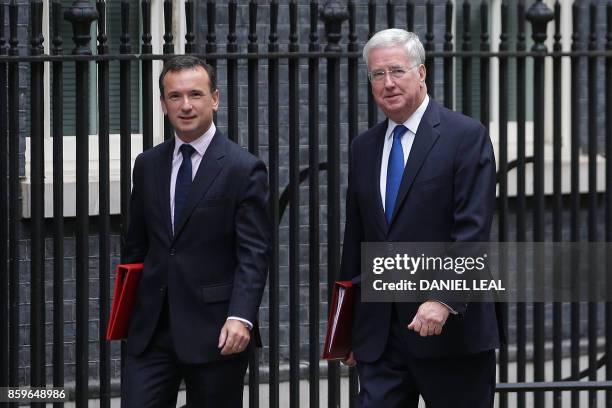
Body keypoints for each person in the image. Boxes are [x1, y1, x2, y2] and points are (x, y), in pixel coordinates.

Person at [339, 29, 502, 407]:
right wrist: (347, 328)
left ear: (422, 72)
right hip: (382, 335)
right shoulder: (364, 148)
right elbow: (357, 239)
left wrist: (443, 299)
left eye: (397, 70)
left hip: (451, 333)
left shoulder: (465, 135)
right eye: (377, 75)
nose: (388, 83)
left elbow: (472, 231)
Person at [121, 55, 270, 407]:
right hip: (152, 332)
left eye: (195, 94)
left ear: (214, 99)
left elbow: (254, 253)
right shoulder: (147, 165)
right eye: (175, 96)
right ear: (163, 104)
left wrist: (241, 317)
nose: (185, 105)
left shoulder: (242, 168)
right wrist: (127, 313)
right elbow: (136, 247)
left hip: (216, 331)